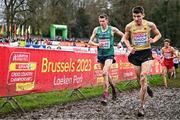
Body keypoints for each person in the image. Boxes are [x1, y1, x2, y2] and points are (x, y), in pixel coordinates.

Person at [122, 6, 162, 116]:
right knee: (140, 80)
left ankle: (141, 106)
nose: (136, 18)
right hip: (135, 54)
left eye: (138, 16)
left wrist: (153, 39)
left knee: (143, 77)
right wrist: (129, 47)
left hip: (146, 53)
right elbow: (125, 38)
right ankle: (146, 87)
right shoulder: (129, 26)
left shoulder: (149, 24)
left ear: (143, 15)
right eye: (134, 16)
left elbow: (159, 34)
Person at [88, 13, 124, 105]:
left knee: (104, 72)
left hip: (109, 55)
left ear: (107, 20)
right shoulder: (96, 29)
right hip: (100, 55)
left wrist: (120, 43)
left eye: (103, 21)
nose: (101, 23)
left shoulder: (112, 29)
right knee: (107, 74)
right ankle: (114, 88)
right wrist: (97, 44)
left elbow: (123, 35)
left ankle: (105, 96)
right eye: (100, 21)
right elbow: (90, 42)